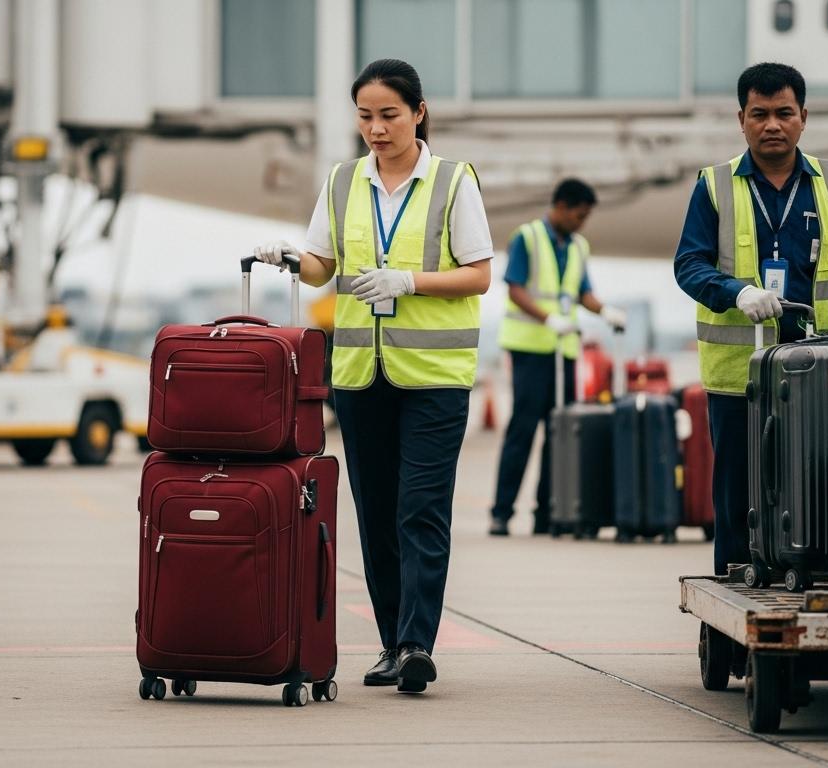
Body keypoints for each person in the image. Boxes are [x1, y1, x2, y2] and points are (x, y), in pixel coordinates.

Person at [252, 59, 492, 694]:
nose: (377, 129)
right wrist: (290, 259)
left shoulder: (451, 181)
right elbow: (321, 267)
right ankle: (391, 643)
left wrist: (408, 281)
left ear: (418, 112)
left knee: (421, 510)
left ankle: (417, 642)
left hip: (435, 376)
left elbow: (478, 274)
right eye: (365, 116)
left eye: (389, 115)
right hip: (362, 375)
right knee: (377, 514)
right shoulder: (341, 182)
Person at [673, 62, 828, 576]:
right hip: (739, 379)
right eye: (759, 114)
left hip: (820, 372)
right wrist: (735, 291)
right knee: (740, 496)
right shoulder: (715, 186)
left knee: (819, 492)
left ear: (803, 117)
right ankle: (734, 608)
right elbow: (688, 265)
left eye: (784, 113)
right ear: (741, 119)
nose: (772, 125)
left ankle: (815, 588)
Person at [487, 179, 626, 537]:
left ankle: (546, 514)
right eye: (579, 215)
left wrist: (606, 311)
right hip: (530, 348)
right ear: (562, 206)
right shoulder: (528, 238)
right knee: (523, 429)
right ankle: (501, 513)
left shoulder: (578, 246)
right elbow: (515, 288)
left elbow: (583, 293)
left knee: (559, 432)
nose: (582, 223)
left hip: (563, 350)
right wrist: (548, 318)